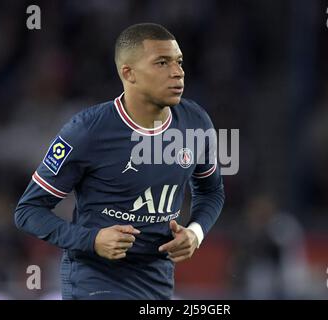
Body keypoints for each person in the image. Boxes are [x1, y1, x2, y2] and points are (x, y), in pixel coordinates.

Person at [14, 23, 225, 300]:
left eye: (179, 62)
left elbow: (211, 191)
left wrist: (196, 232)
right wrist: (91, 239)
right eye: (162, 62)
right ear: (129, 73)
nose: (178, 73)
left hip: (157, 280)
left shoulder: (196, 122)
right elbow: (28, 211)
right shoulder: (88, 131)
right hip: (95, 278)